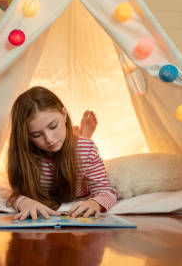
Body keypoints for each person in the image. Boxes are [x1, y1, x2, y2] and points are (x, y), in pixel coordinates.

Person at [7, 86, 117, 220]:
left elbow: (106, 192)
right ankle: (79, 134)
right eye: (36, 135)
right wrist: (24, 202)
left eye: (53, 126)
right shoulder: (25, 154)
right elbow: (17, 193)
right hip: (69, 152)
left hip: (79, 152)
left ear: (64, 115)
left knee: (82, 147)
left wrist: (94, 203)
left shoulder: (85, 149)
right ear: (26, 137)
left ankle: (83, 135)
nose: (49, 139)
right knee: (75, 147)